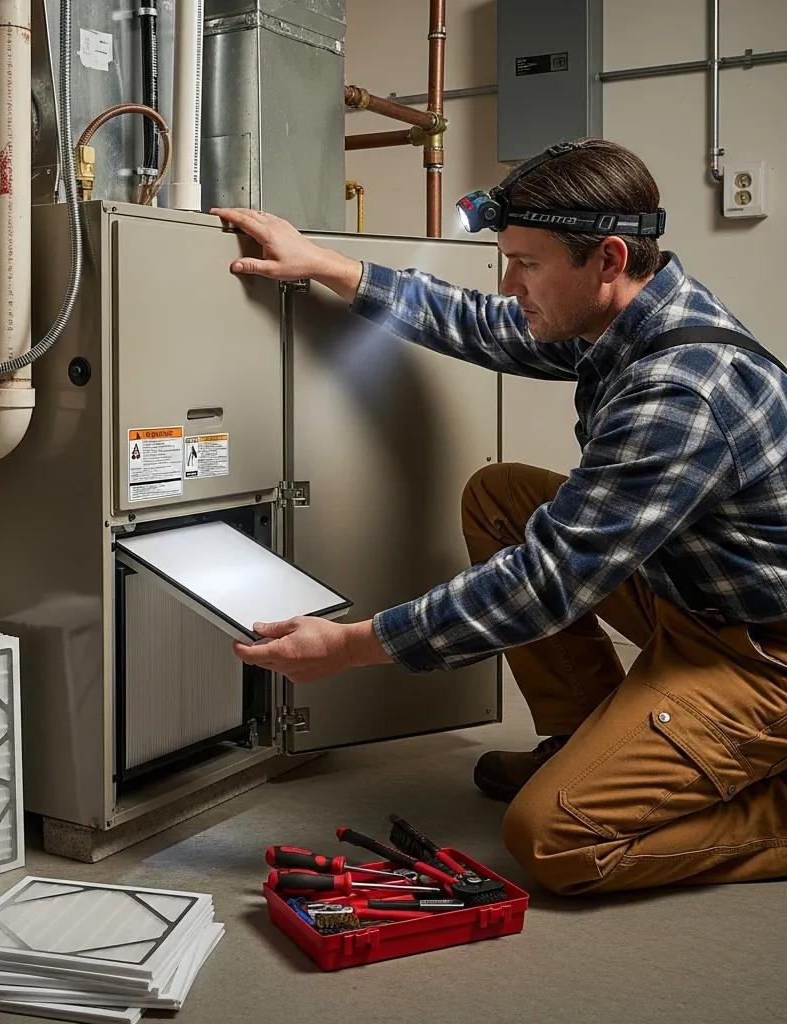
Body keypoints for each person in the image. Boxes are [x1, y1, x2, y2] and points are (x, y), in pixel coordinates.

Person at [212, 138, 787, 896]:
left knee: (552, 840)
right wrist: (326, 264)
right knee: (503, 497)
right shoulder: (633, 313)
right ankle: (581, 738)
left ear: (608, 259)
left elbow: (546, 583)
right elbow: (488, 325)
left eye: (528, 263)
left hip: (758, 656)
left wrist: (351, 646)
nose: (509, 282)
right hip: (697, 597)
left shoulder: (679, 393)